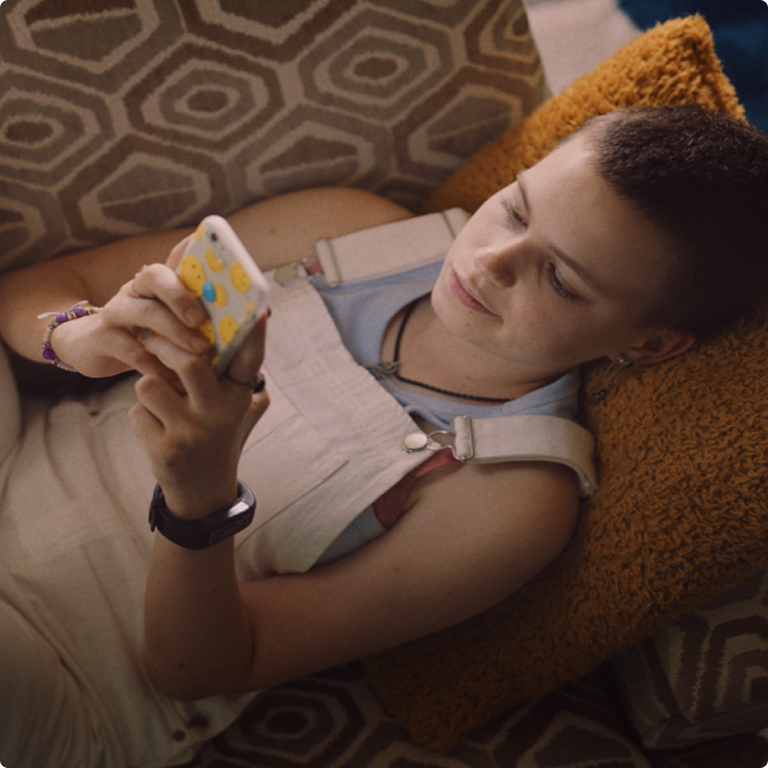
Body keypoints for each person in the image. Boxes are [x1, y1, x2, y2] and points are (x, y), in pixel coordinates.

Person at [0, 104, 766, 767]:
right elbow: (37, 291)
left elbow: (195, 667)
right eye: (517, 209)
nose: (491, 260)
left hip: (73, 668)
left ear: (651, 345)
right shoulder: (350, 230)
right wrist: (78, 336)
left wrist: (199, 500)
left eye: (561, 281)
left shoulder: (514, 495)